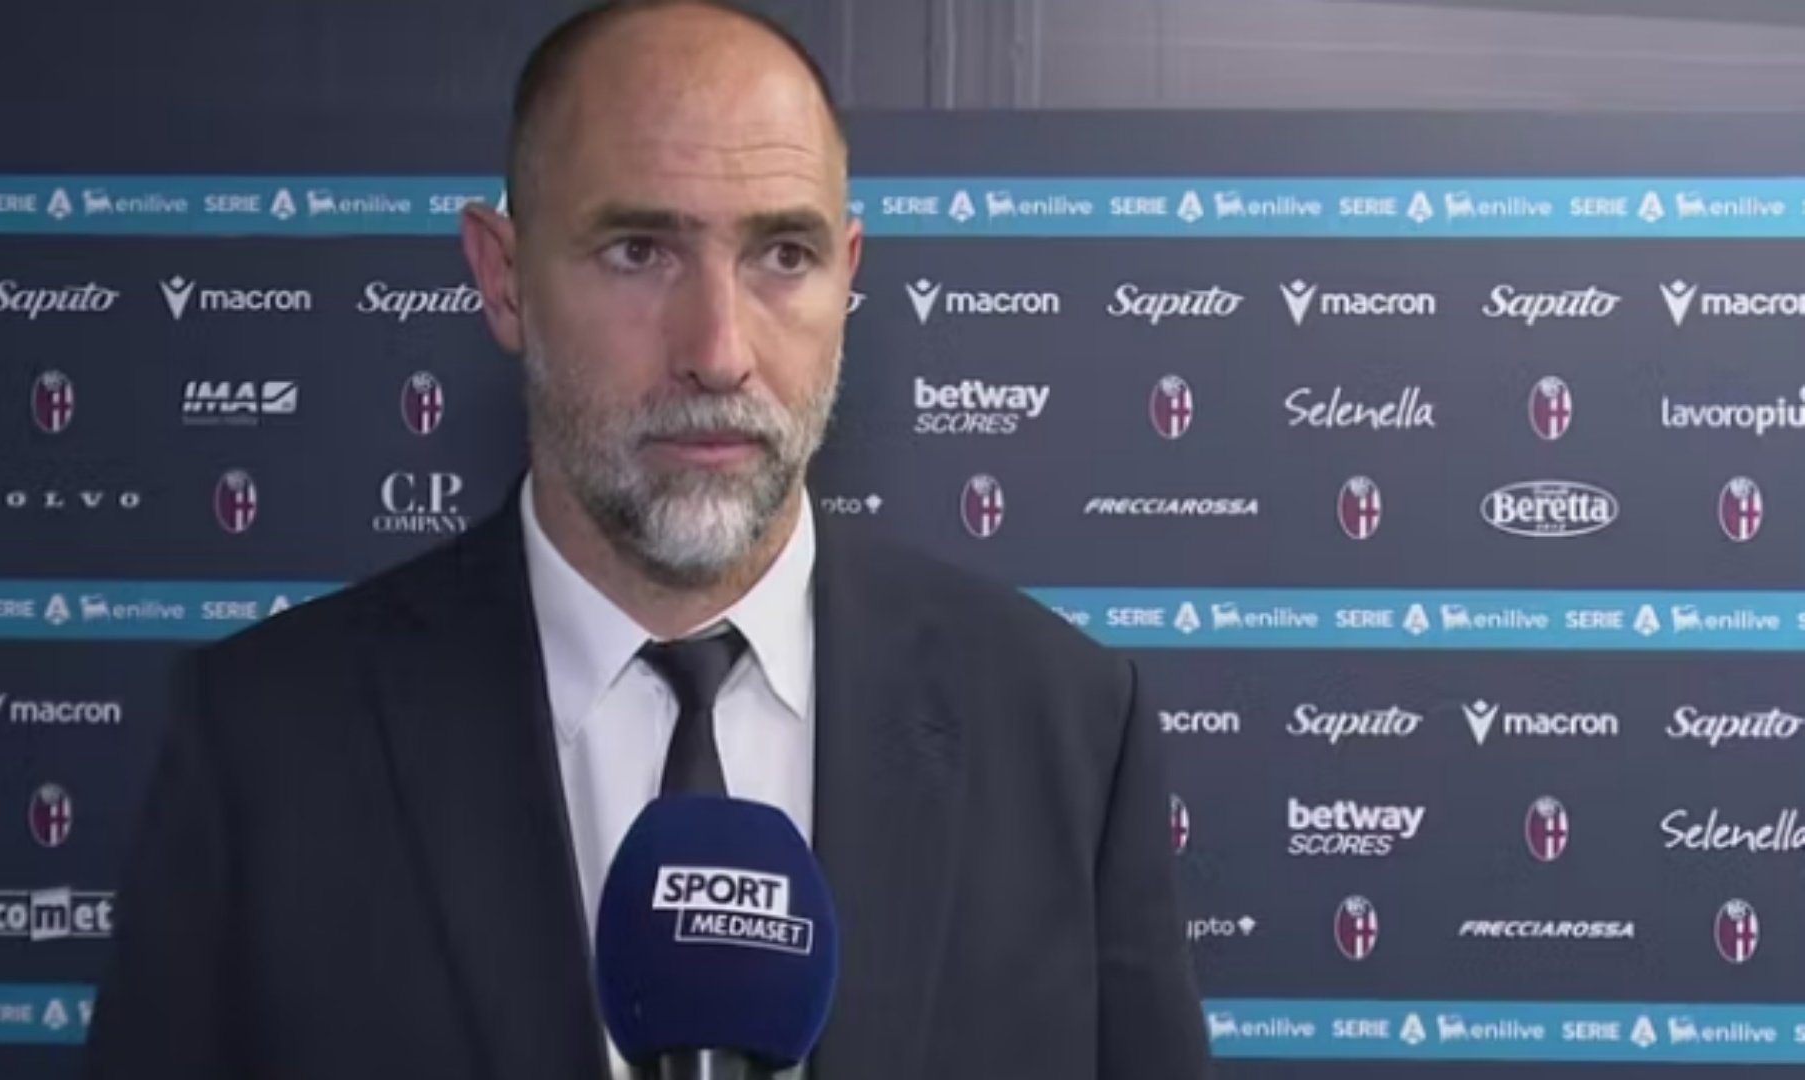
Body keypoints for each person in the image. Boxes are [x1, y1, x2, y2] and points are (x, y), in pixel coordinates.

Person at [83, 1, 1214, 1078]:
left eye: (783, 256)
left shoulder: (1068, 728)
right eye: (638, 250)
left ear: (848, 279)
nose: (718, 351)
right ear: (503, 277)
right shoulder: (266, 740)